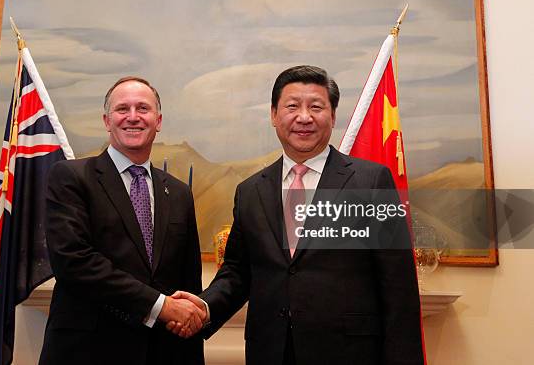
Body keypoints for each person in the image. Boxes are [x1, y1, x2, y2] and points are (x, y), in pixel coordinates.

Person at [172, 66, 423, 364]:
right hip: (271, 351)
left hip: (348, 353)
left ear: (332, 115)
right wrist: (204, 306)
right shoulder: (251, 191)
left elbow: (399, 287)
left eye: (316, 106)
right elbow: (238, 272)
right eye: (292, 106)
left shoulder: (371, 181)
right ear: (274, 115)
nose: (304, 117)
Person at [39, 76, 205, 365]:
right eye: (122, 109)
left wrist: (189, 318)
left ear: (158, 120)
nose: (133, 117)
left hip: (164, 351)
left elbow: (188, 278)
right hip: (89, 350)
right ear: (107, 120)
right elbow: (74, 262)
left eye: (143, 108)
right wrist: (160, 306)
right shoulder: (70, 177)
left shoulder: (179, 192)